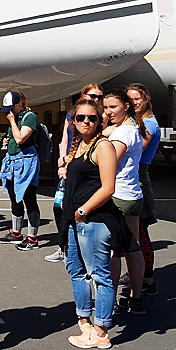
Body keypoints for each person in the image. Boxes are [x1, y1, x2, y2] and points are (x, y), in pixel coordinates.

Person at [60, 97, 136, 350]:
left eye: (92, 118)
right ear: (73, 120)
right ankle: (85, 322)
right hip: (74, 219)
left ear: (99, 120)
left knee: (100, 275)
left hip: (94, 220)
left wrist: (83, 210)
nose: (86, 122)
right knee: (76, 270)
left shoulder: (102, 146)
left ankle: (101, 330)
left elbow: (108, 187)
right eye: (80, 117)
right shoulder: (79, 145)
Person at [101, 88, 149, 315]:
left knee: (114, 250)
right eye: (105, 107)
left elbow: (109, 161)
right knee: (132, 246)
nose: (108, 112)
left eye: (113, 107)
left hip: (118, 195)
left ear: (126, 106)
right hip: (132, 194)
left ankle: (107, 302)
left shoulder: (122, 134)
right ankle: (136, 298)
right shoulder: (132, 128)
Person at [48, 83, 104, 263]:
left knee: (80, 209)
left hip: (87, 167)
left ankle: (78, 248)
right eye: (91, 96)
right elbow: (65, 140)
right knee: (59, 206)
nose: (95, 99)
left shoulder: (100, 118)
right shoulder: (71, 117)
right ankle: (63, 246)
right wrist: (63, 162)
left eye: (98, 97)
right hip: (71, 163)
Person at [127, 83, 161, 296]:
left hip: (139, 177)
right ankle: (137, 274)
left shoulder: (149, 124)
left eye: (137, 98)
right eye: (129, 100)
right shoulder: (137, 122)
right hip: (133, 175)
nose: (133, 103)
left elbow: (137, 148)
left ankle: (147, 279)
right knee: (133, 233)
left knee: (141, 231)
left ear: (146, 98)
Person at [0, 91, 41, 251]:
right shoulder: (15, 117)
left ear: (20, 103)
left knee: (29, 197)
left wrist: (12, 122)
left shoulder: (29, 117)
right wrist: (8, 140)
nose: (9, 111)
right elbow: (15, 137)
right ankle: (16, 233)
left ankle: (32, 238)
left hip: (26, 161)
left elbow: (21, 137)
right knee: (14, 197)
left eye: (11, 107)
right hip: (12, 160)